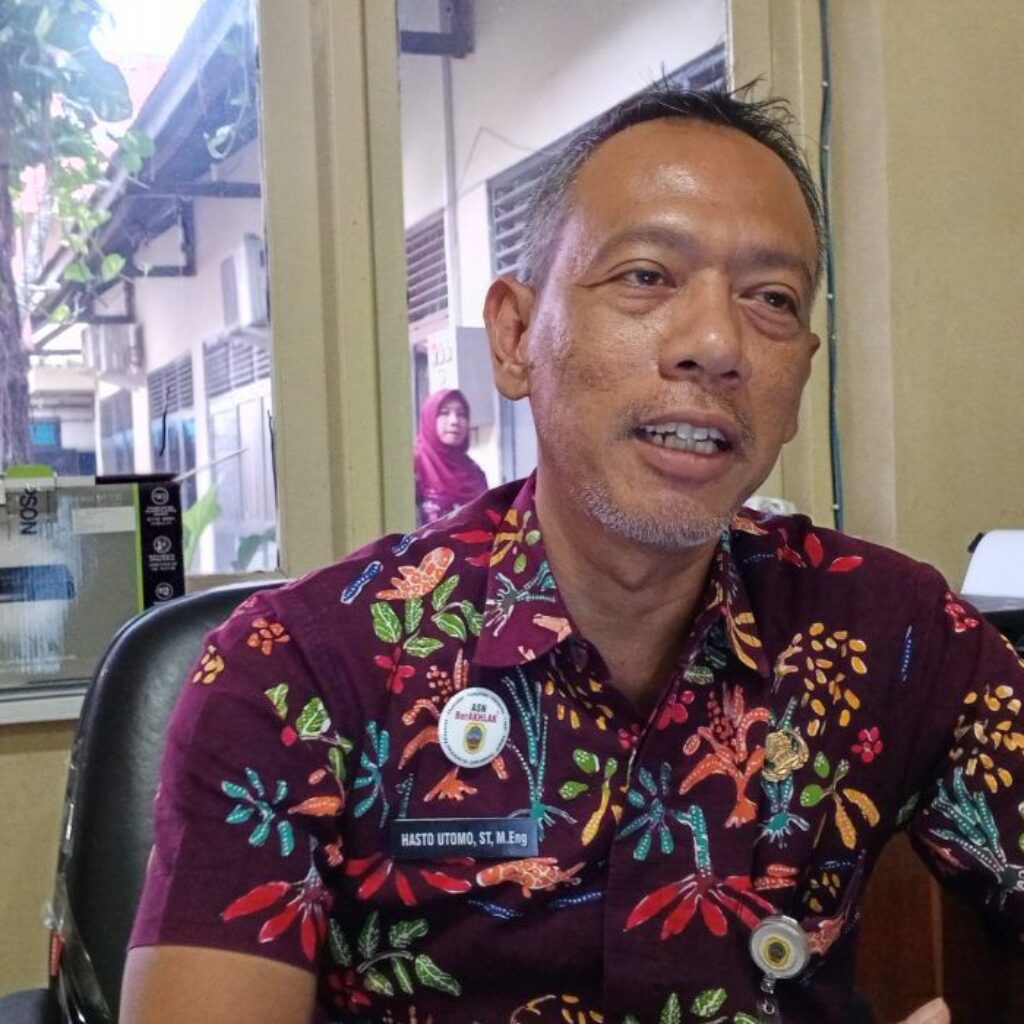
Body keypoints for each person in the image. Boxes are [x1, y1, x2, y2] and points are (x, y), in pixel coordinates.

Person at [118, 87, 1024, 1024]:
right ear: (516, 336)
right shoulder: (297, 669)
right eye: (646, 276)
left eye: (771, 300)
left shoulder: (890, 636)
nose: (717, 344)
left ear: (800, 374)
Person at [413, 387, 488, 525]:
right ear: (429, 418)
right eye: (444, 413)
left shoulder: (474, 472)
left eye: (461, 414)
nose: (454, 421)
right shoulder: (415, 465)